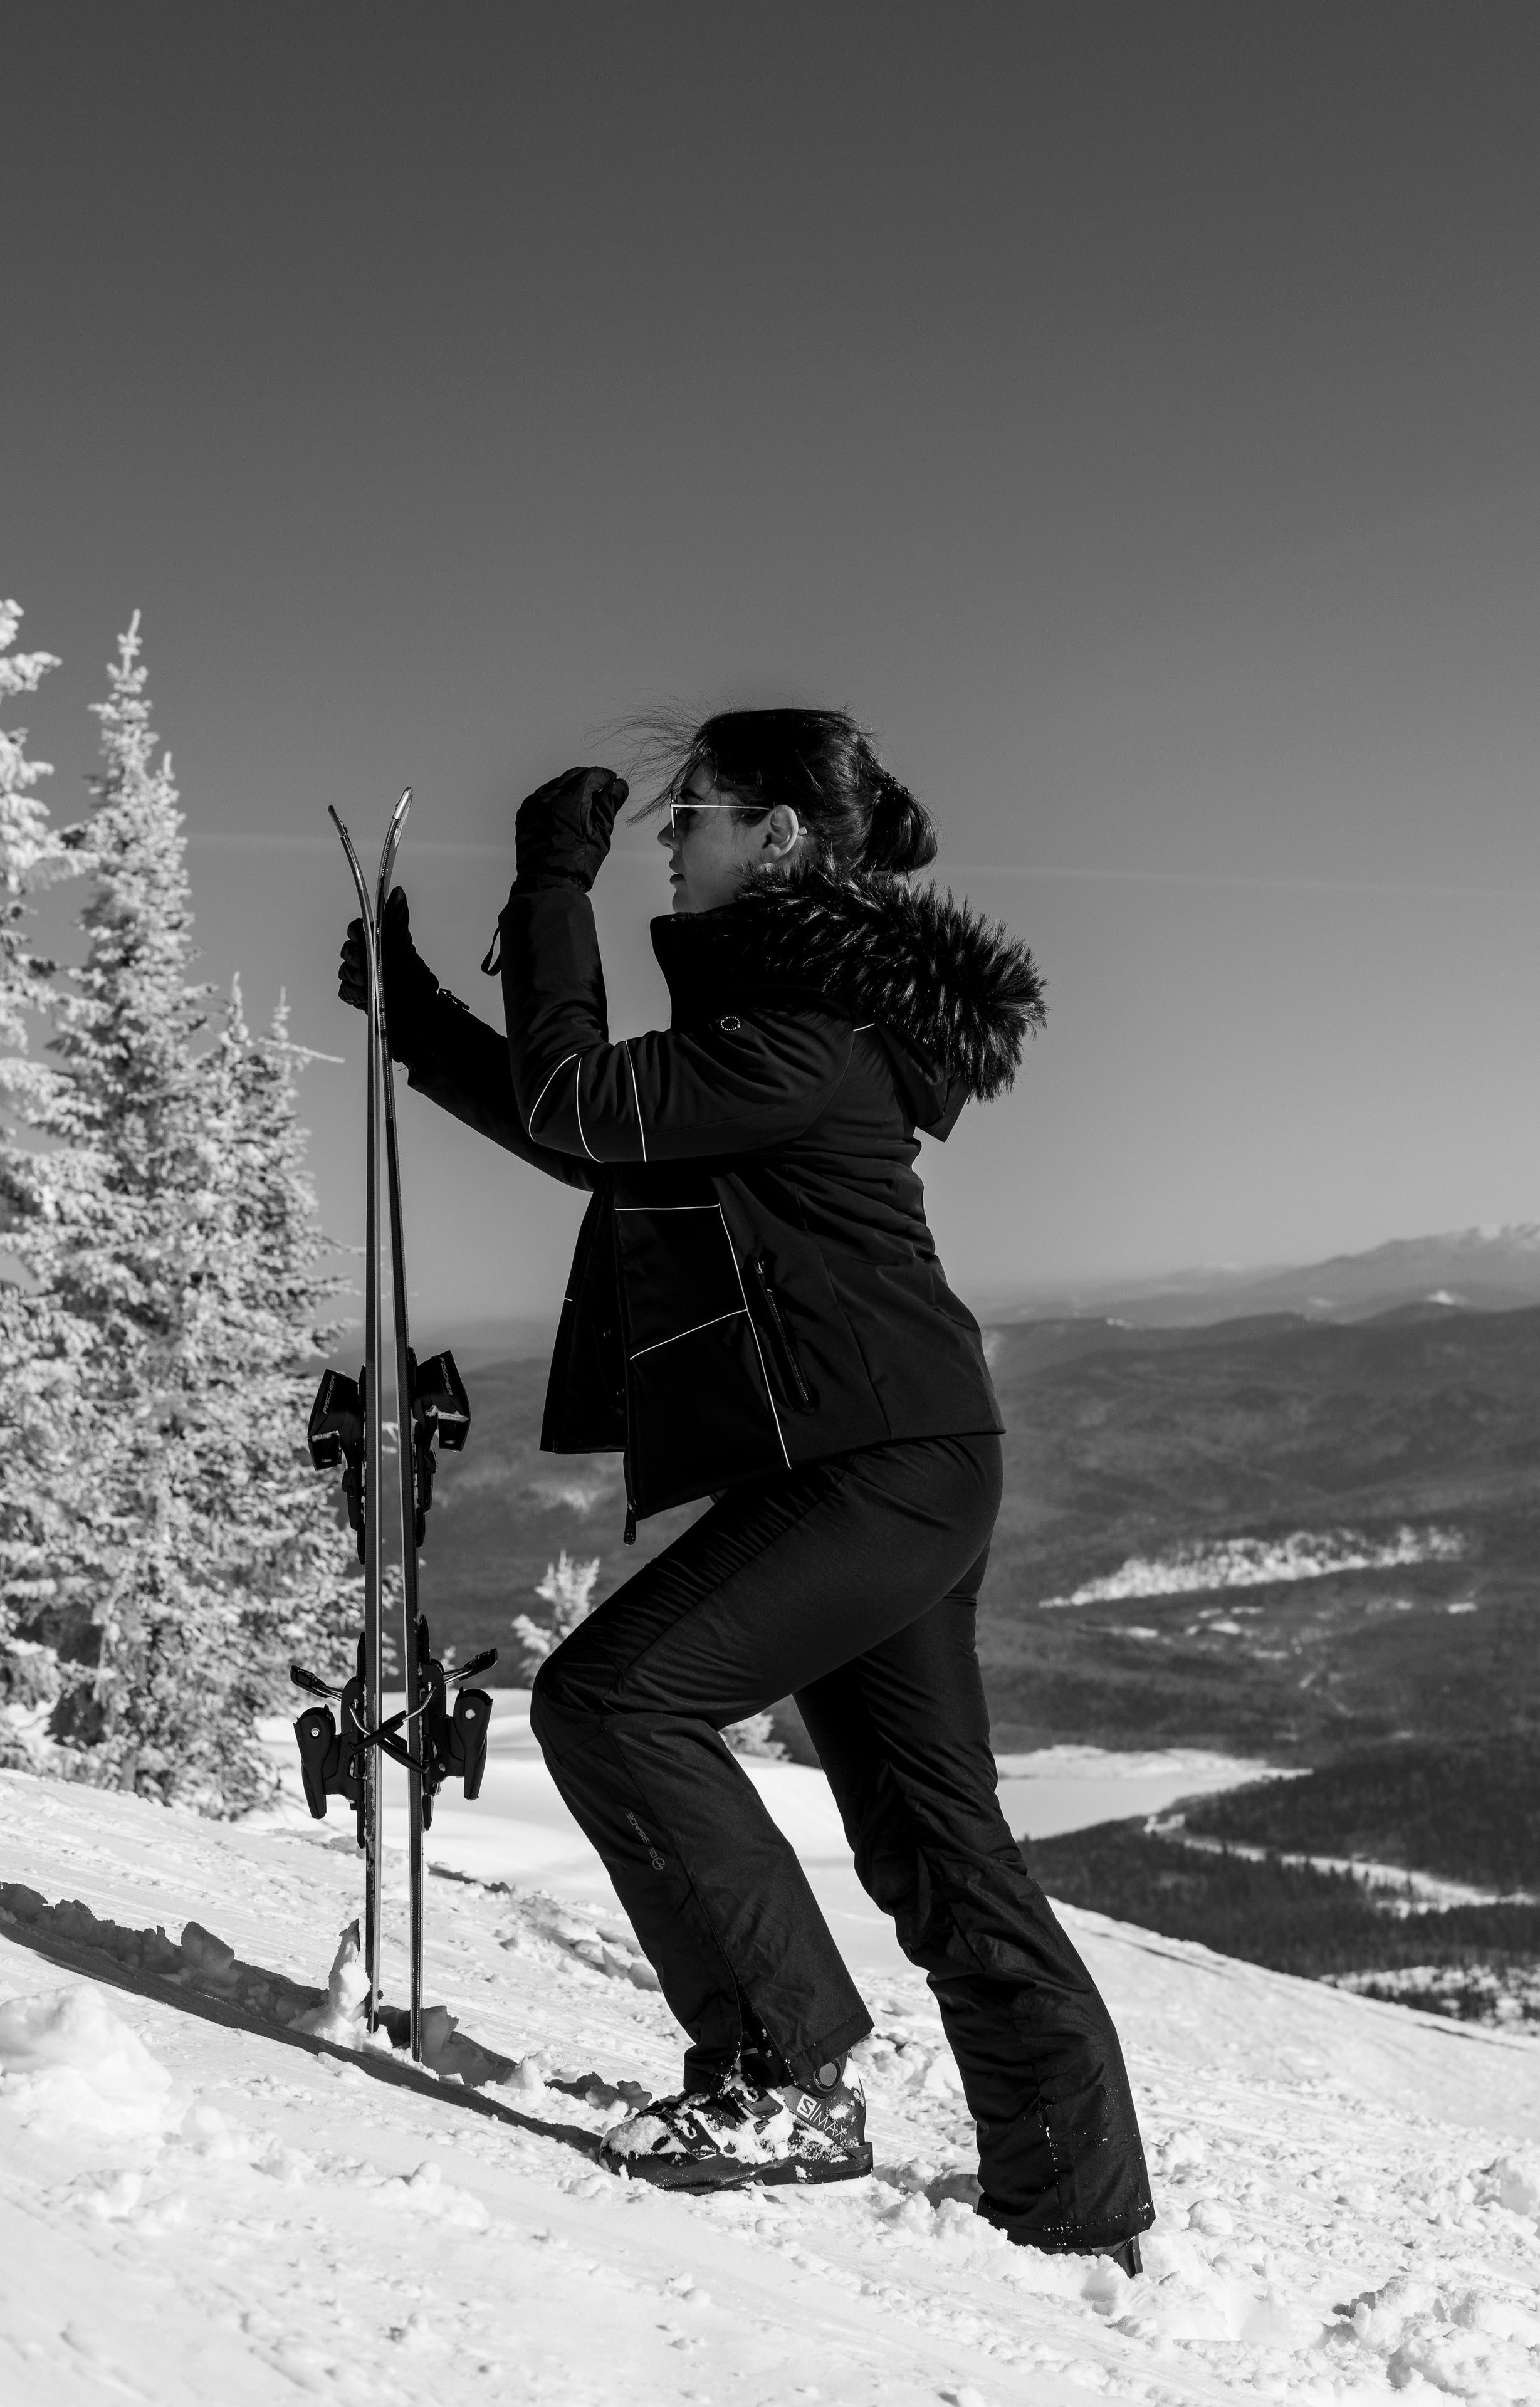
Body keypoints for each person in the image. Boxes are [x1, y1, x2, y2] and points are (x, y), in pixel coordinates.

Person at [339, 708, 1153, 2267]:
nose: (664, 834)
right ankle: (1077, 2213)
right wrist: (420, 1016)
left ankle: (784, 2082)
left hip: (878, 1472)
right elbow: (599, 1136)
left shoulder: (799, 1031)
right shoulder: (785, 1022)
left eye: (689, 808)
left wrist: (545, 880)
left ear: (775, 836)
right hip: (893, 1463)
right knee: (935, 1841)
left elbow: (587, 1106)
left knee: (612, 1702)